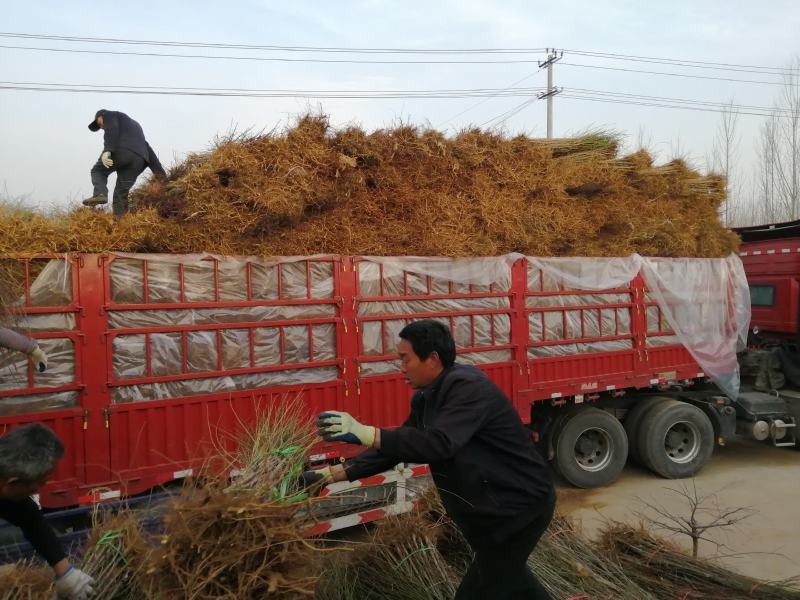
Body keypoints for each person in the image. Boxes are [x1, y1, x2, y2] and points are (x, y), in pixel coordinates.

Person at [308, 319, 556, 600]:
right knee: (513, 581)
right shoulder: (426, 399)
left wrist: (367, 433)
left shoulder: (469, 388)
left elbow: (440, 444)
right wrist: (331, 475)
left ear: (433, 359)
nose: (401, 368)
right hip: (490, 515)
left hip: (519, 510)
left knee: (484, 586)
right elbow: (400, 446)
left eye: (406, 359)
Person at [0, 424, 95, 599]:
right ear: (13, 483)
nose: (38, 491)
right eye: (38, 484)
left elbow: (31, 519)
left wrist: (65, 572)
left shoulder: (5, 484)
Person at [82, 109, 166, 218]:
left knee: (97, 171)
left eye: (99, 123)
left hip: (121, 152)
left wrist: (108, 150)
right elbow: (147, 148)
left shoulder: (109, 115)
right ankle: (120, 220)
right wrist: (162, 177)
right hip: (139, 160)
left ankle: (100, 194)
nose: (102, 127)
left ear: (101, 116)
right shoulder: (136, 127)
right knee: (120, 193)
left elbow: (112, 129)